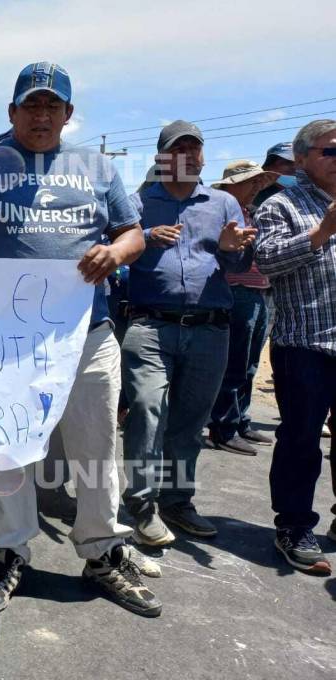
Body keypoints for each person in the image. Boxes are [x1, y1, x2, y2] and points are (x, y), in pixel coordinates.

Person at [0, 61, 159, 617]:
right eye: (31, 105)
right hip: (6, 338)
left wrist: (117, 252)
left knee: (96, 446)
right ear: (11, 112)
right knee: (7, 445)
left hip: (88, 332)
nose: (41, 114)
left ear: (69, 115)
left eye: (52, 106)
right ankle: (6, 555)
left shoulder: (98, 167)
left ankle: (101, 552)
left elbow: (133, 233)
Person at [122, 121, 257, 546]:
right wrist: (143, 237)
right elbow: (114, 249)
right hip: (149, 324)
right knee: (146, 410)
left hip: (210, 330)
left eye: (195, 150)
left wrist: (236, 249)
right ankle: (142, 504)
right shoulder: (136, 203)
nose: (190, 157)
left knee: (189, 423)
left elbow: (238, 269)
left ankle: (177, 501)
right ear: (161, 158)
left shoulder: (222, 205)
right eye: (179, 149)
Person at [254, 119, 336, 575]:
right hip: (305, 343)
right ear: (302, 158)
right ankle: (293, 526)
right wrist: (321, 232)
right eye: (331, 152)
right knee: (301, 440)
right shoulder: (281, 205)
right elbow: (265, 260)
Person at [206, 160, 279, 455]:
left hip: (258, 293)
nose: (256, 188)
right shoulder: (221, 213)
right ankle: (223, 427)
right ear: (230, 186)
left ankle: (240, 421)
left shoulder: (248, 213)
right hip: (236, 292)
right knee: (234, 365)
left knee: (249, 365)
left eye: (258, 183)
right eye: (250, 182)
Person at [254, 142, 297, 208]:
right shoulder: (252, 194)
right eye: (288, 162)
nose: (295, 167)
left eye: (299, 162)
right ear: (268, 168)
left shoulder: (308, 191)